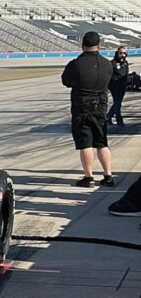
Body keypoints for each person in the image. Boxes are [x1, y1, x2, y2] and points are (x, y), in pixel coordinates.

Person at [61, 31, 114, 188]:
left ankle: (89, 176)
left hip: (82, 108)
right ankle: (108, 176)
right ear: (98, 46)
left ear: (83, 46)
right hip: (100, 107)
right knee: (102, 143)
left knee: (85, 144)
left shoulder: (75, 64)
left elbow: (66, 81)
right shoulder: (107, 64)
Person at [107, 46, 129, 126]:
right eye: (121, 53)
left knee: (118, 103)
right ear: (117, 53)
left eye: (124, 53)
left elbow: (125, 74)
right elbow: (108, 75)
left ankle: (109, 117)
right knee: (117, 103)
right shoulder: (112, 63)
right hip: (115, 86)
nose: (122, 55)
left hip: (123, 86)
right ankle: (118, 120)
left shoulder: (125, 63)